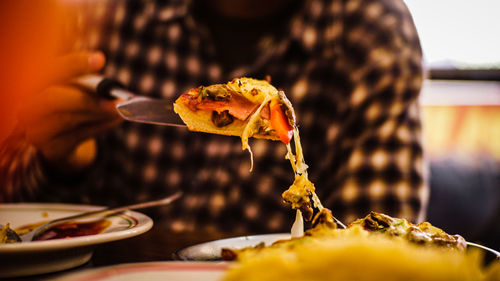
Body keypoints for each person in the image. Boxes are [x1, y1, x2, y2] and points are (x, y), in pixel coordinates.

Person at [0, 0, 427, 235]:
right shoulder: (106, 14)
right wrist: (59, 164)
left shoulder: (371, 30)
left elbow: (380, 239)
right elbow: (15, 217)